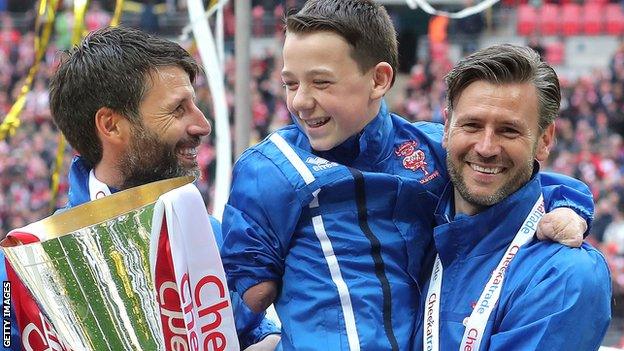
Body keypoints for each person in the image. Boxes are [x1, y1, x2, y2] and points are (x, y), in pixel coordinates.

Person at [220, 1, 594, 350]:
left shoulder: (429, 147)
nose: (301, 100)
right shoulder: (269, 166)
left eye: (321, 82)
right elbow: (251, 294)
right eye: (290, 83)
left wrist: (570, 207)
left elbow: (526, 183)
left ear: (380, 80)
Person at [0, 26, 280, 351]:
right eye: (178, 109)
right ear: (112, 126)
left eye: (195, 104)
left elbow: (255, 330)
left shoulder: (206, 233)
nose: (202, 125)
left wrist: (271, 343)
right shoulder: (22, 264)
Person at [415, 44, 611, 350]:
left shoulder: (563, 275)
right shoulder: (412, 227)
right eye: (471, 125)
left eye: (508, 131)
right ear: (447, 127)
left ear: (544, 140)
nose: (486, 147)